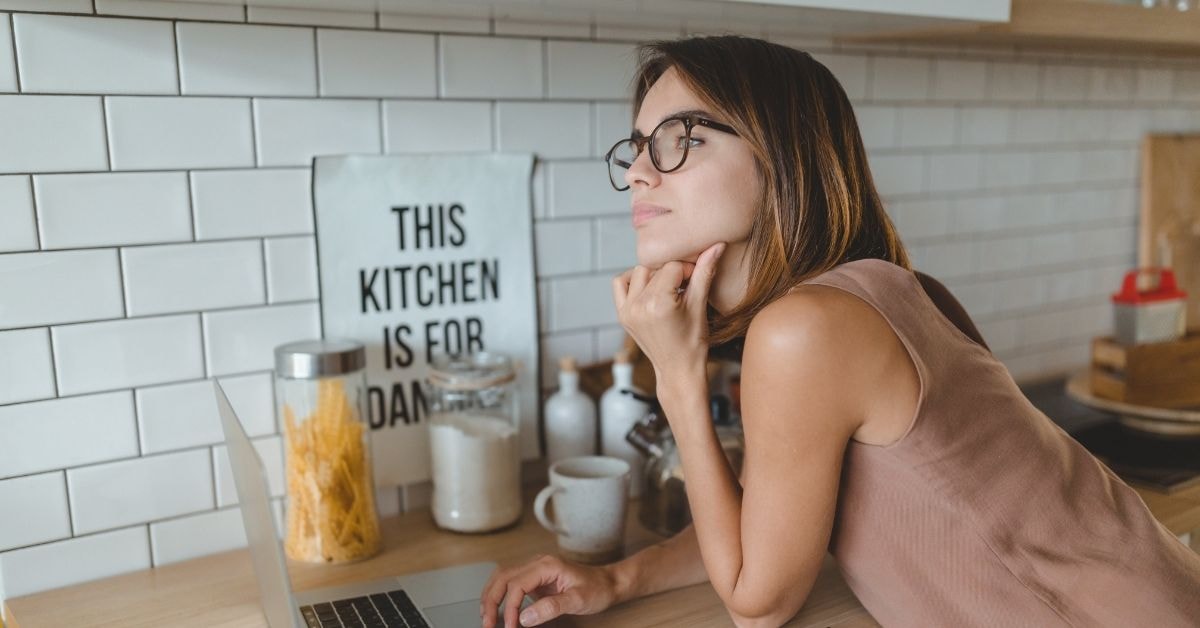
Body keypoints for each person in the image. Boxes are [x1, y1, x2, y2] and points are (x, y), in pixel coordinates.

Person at [480, 35, 1200, 628]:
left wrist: (675, 372)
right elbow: (763, 523)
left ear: (780, 155)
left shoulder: (806, 330)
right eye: (636, 146)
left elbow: (757, 602)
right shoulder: (867, 297)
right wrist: (613, 581)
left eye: (679, 140)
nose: (639, 171)